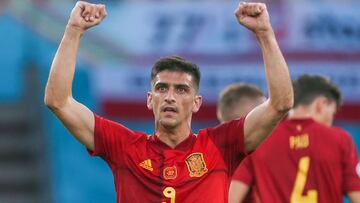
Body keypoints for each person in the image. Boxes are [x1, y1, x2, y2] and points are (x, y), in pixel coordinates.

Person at [44, 1, 293, 202]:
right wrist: (73, 31)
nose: (170, 96)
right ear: (150, 100)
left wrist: (265, 34)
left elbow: (280, 103)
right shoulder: (124, 147)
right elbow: (58, 101)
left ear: (196, 103)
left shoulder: (221, 146)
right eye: (162, 88)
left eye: (182, 90)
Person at [228, 75, 360, 203]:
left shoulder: (259, 139)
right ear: (321, 104)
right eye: (332, 113)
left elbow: (231, 198)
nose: (331, 121)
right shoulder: (340, 139)